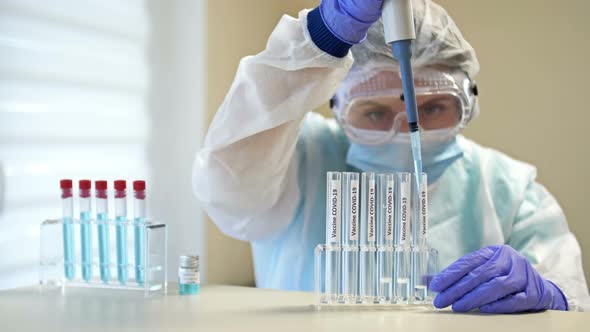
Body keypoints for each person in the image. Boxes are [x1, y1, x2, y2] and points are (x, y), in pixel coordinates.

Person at [193, 0, 590, 312]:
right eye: (376, 112)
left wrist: (550, 296)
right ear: (338, 107)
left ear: (468, 103)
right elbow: (227, 189)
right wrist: (319, 40)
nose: (404, 130)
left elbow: (573, 298)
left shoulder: (509, 188)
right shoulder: (296, 155)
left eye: (431, 108)